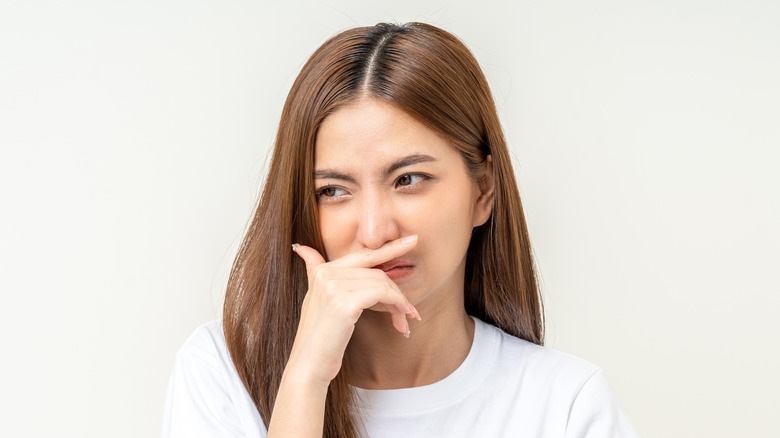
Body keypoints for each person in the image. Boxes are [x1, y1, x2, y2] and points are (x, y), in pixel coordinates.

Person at [162, 22, 638, 437]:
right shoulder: (221, 373)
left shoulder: (566, 405)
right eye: (332, 190)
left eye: (409, 180)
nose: (373, 231)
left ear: (483, 191)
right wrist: (305, 379)